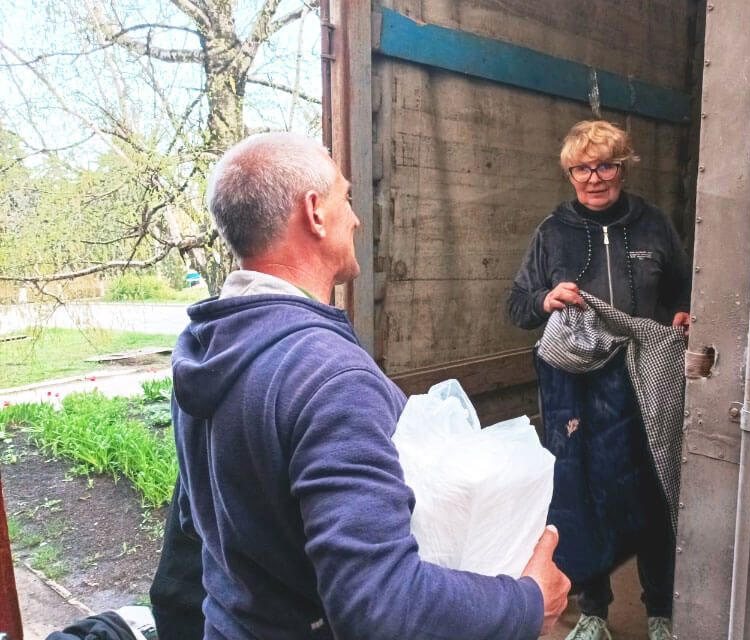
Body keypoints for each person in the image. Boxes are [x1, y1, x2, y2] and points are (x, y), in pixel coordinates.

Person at [170, 131, 570, 639]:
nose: (356, 217)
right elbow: (380, 607)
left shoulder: (206, 347)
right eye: (346, 197)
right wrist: (527, 603)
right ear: (315, 212)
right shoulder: (331, 379)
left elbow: (198, 523)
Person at [508, 120, 691, 640]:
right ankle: (593, 612)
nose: (594, 178)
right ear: (569, 174)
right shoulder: (552, 232)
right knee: (580, 494)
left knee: (654, 489)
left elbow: (685, 288)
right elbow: (518, 305)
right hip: (578, 392)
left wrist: (682, 313)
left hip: (646, 384)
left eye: (605, 165)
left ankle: (660, 611)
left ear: (623, 167)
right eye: (582, 168)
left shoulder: (654, 225)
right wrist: (546, 300)